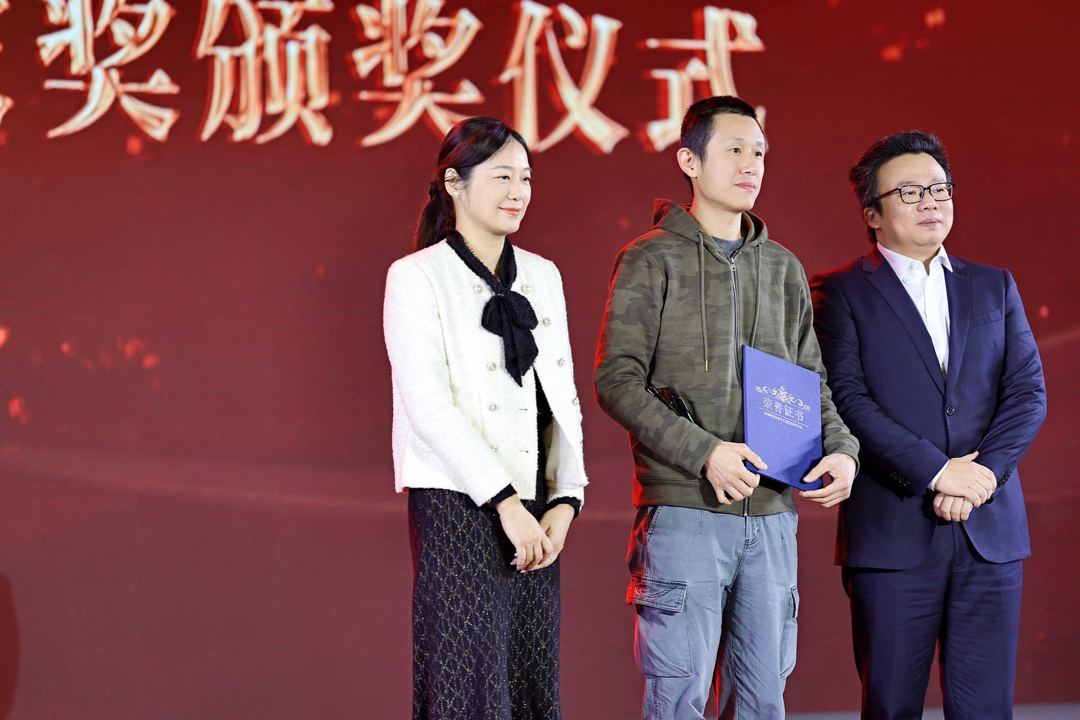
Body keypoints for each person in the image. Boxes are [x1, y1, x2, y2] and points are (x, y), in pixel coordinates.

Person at [593, 95, 860, 719]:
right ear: (689, 160)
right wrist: (705, 452)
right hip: (686, 508)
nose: (750, 165)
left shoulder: (784, 268)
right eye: (734, 149)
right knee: (678, 697)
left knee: (764, 700)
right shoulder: (650, 257)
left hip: (771, 515)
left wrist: (843, 451)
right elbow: (617, 380)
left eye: (759, 152)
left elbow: (811, 382)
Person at [810, 130, 1047, 719]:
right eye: (910, 192)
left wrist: (981, 477)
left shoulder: (993, 284)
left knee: (987, 709)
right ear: (872, 213)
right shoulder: (839, 291)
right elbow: (846, 400)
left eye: (940, 188)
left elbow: (1027, 393)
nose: (931, 202)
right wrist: (938, 473)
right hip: (892, 534)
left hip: (989, 532)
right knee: (891, 706)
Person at [382, 116, 588, 720]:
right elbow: (429, 407)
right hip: (459, 501)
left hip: (536, 507)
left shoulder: (543, 274)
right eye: (501, 176)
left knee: (530, 676)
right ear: (454, 183)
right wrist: (505, 504)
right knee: (466, 680)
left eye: (525, 177)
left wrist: (565, 500)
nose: (518, 191)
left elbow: (561, 396)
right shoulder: (417, 276)